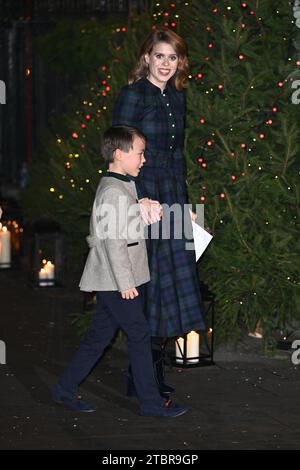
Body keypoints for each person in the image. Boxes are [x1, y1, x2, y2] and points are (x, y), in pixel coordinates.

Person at [52, 125, 188, 417]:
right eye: (139, 153)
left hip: (113, 279)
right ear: (118, 153)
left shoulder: (120, 183)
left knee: (99, 336)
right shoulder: (115, 190)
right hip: (116, 280)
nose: (143, 160)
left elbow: (120, 225)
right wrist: (126, 283)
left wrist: (140, 209)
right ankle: (151, 404)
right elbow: (114, 242)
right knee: (138, 335)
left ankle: (64, 387)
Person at [112, 28, 205, 396]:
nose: (166, 63)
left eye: (173, 57)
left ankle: (150, 374)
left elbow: (178, 154)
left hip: (173, 195)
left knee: (169, 286)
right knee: (147, 285)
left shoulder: (177, 98)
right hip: (144, 196)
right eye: (159, 56)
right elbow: (119, 154)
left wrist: (185, 204)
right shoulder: (132, 96)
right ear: (146, 57)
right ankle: (142, 377)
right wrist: (135, 200)